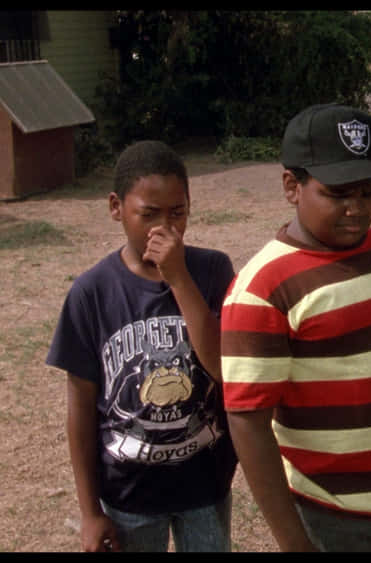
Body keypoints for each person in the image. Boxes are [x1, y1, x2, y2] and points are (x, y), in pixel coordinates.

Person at [220, 103, 371, 552]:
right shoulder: (262, 290)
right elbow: (248, 423)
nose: (356, 209)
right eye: (337, 193)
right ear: (292, 186)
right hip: (330, 520)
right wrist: (293, 542)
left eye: (367, 192)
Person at [46, 140, 238, 552]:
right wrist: (89, 512)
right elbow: (80, 407)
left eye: (178, 212)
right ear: (116, 207)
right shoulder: (91, 293)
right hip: (127, 496)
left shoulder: (212, 271)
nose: (165, 228)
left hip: (205, 486)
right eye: (148, 214)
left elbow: (224, 367)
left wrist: (179, 278)